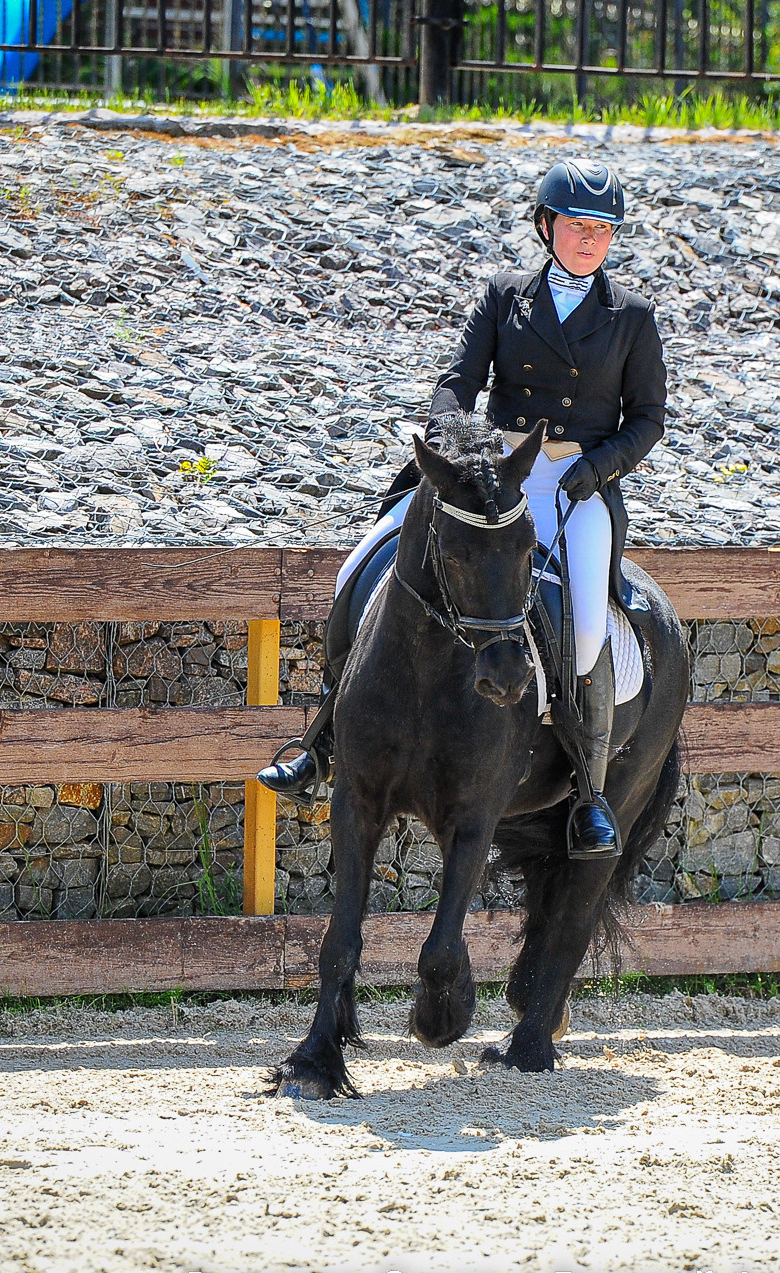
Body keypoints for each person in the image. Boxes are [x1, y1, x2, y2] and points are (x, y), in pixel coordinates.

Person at [258, 158, 668, 860]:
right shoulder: (505, 296)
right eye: (577, 226)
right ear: (547, 226)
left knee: (588, 629)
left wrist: (598, 469)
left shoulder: (630, 317)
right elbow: (457, 382)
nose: (590, 240)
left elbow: (649, 419)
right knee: (360, 568)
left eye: (603, 230)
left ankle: (591, 793)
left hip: (573, 483)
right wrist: (457, 450)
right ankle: (321, 739)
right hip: (493, 477)